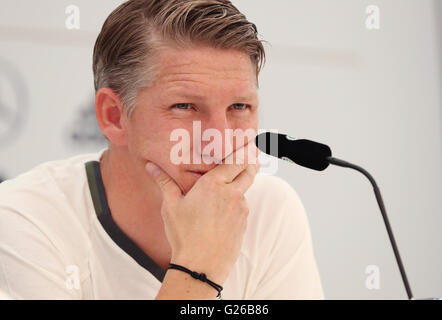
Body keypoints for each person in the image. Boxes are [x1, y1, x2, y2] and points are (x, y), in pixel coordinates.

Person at [0, 0, 323, 299]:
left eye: (239, 106)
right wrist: (197, 271)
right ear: (114, 116)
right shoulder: (25, 219)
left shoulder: (269, 209)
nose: (220, 143)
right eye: (185, 106)